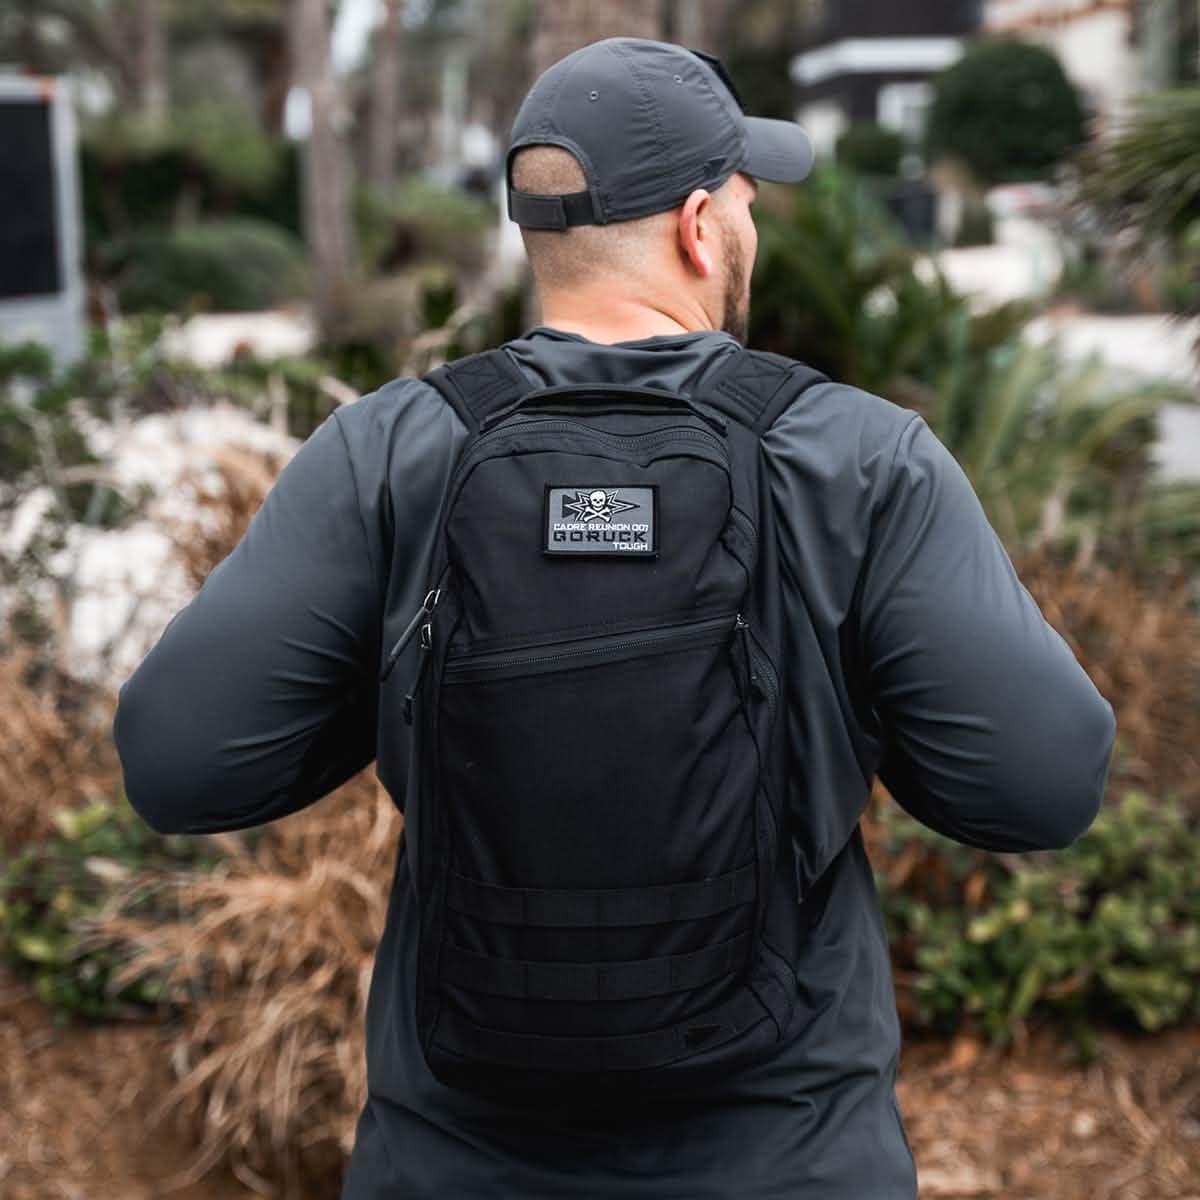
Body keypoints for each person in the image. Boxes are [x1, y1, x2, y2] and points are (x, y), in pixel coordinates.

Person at [113, 37, 1117, 1199]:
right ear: (701, 226)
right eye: (746, 200)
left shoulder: (389, 453)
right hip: (788, 1165)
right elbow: (1045, 784)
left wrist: (401, 687)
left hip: (457, 1165)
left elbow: (178, 764)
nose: (749, 225)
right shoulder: (857, 459)